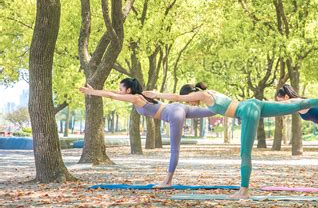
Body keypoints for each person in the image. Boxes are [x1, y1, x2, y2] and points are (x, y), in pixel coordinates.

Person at [143, 82, 318, 198]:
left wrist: (157, 94)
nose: (192, 102)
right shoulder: (211, 93)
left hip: (248, 110)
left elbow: (178, 98)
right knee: (293, 105)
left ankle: (244, 190)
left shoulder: (204, 95)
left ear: (193, 93)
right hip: (253, 104)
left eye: (191, 99)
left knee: (245, 152)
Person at [79, 78, 216, 187]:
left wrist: (92, 92)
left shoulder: (135, 98)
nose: (118, 91)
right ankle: (229, 105)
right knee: (213, 110)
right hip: (178, 108)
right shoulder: (140, 95)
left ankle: (167, 181)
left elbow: (111, 96)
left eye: (121, 89)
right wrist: (96, 90)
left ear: (128, 90)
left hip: (174, 114)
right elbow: (112, 92)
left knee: (175, 150)